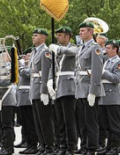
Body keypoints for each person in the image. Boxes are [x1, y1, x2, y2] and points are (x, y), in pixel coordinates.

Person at [75, 22, 105, 155]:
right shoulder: (82, 47)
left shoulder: (95, 48)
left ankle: (92, 148)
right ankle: (84, 145)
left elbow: (97, 71)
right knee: (82, 122)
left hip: (89, 89)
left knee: (91, 121)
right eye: (80, 30)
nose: (80, 33)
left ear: (90, 32)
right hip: (81, 88)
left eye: (83, 30)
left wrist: (93, 91)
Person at [48, 27, 78, 155]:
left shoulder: (75, 47)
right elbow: (52, 68)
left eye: (60, 35)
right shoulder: (57, 51)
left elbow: (70, 52)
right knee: (59, 119)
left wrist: (56, 48)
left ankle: (71, 146)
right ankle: (62, 145)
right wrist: (50, 81)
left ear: (67, 36)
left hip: (69, 87)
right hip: (58, 86)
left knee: (69, 119)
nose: (57, 37)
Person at [29, 29, 55, 155]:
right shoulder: (35, 52)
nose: (33, 37)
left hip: (41, 89)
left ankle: (49, 146)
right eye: (33, 35)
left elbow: (46, 72)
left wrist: (44, 90)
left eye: (36, 35)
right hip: (34, 88)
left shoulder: (45, 52)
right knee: (38, 121)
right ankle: (43, 145)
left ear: (43, 38)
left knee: (45, 120)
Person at [98, 41, 120, 155]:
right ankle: (108, 147)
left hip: (112, 97)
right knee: (105, 124)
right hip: (104, 96)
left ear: (115, 49)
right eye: (106, 48)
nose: (106, 50)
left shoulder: (118, 62)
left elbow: (116, 78)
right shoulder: (105, 61)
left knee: (114, 124)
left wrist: (103, 72)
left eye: (108, 48)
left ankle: (115, 147)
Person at [17, 48, 38, 155]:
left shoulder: (31, 66)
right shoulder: (25, 65)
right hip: (22, 97)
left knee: (31, 123)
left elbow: (26, 73)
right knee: (24, 123)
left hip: (29, 96)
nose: (26, 57)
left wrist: (19, 66)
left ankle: (33, 144)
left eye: (29, 55)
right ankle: (27, 142)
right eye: (26, 55)